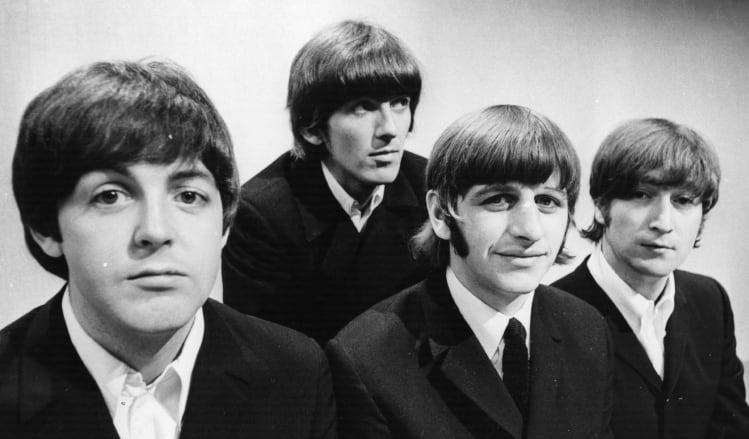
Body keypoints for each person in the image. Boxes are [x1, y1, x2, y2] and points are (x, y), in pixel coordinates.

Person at [0, 60, 336, 439]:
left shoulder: (296, 373)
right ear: (46, 228)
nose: (156, 231)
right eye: (110, 196)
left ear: (224, 224)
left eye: (189, 195)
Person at [327, 105, 614, 439]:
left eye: (547, 201)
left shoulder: (587, 328)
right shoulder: (367, 357)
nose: (530, 229)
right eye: (499, 199)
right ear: (440, 214)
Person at [222, 19, 429, 345]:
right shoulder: (260, 214)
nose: (389, 128)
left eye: (399, 103)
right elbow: (264, 357)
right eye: (364, 107)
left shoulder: (431, 188)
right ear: (312, 128)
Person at [552, 118, 749, 439]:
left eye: (683, 201)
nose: (663, 221)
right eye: (641, 194)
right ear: (602, 207)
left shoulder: (710, 300)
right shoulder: (549, 317)